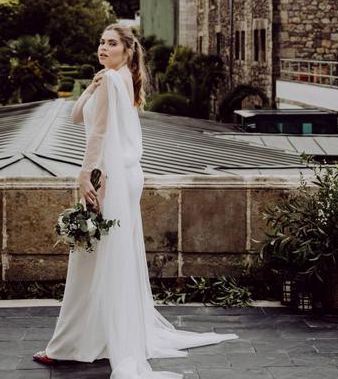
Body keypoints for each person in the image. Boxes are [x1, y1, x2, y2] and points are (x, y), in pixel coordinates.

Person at [32, 24, 238, 378]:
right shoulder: (114, 78)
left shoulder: (115, 80)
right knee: (104, 256)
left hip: (107, 173)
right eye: (100, 41)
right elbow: (77, 115)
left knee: (92, 256)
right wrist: (89, 88)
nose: (103, 47)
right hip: (122, 173)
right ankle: (90, 339)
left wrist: (85, 174)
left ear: (127, 51)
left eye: (111, 43)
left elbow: (96, 132)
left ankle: (74, 344)